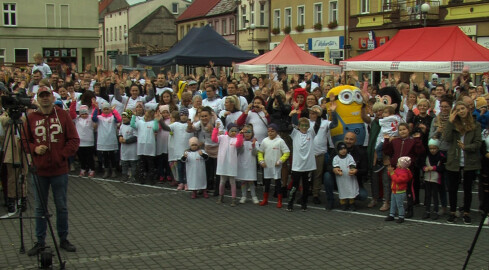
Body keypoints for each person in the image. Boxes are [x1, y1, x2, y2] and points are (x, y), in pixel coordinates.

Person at [23, 86, 79, 256]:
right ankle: (40, 241)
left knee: (61, 206)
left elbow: (74, 140)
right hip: (39, 171)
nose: (45, 99)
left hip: (59, 170)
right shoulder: (31, 118)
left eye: (47, 95)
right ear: (37, 99)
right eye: (42, 96)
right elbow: (24, 141)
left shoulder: (63, 115)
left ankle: (63, 238)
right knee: (40, 208)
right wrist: (34, 148)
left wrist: (61, 155)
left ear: (53, 98)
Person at [443, 101, 481, 224]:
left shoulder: (476, 125)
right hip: (454, 160)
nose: (461, 111)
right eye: (458, 110)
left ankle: (466, 212)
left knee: (467, 189)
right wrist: (449, 121)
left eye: (463, 108)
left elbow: (478, 143)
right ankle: (453, 212)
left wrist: (466, 147)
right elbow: (446, 138)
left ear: (468, 109)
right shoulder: (453, 124)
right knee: (453, 188)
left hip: (469, 160)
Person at [258, 123, 290, 208]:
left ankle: (279, 201)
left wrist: (280, 161)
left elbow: (287, 152)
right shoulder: (265, 141)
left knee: (278, 183)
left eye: (272, 131)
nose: (270, 133)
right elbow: (260, 152)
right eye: (269, 131)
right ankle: (265, 199)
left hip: (276, 166)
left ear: (276, 132)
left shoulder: (280, 141)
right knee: (267, 183)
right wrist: (261, 161)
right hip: (267, 166)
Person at [212, 122, 244, 206]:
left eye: (235, 131)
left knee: (232, 182)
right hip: (222, 163)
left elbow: (239, 144)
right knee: (222, 181)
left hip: (231, 164)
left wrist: (240, 135)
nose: (233, 132)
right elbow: (214, 139)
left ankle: (233, 198)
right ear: (228, 130)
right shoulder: (222, 137)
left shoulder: (236, 139)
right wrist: (216, 129)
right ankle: (221, 196)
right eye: (232, 131)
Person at [69, 101, 95, 178]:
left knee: (90, 157)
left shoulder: (90, 118)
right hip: (80, 142)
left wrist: (94, 106)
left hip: (89, 142)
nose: (84, 115)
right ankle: (83, 169)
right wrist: (73, 103)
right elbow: (72, 113)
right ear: (80, 114)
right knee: (82, 157)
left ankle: (91, 170)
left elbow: (95, 114)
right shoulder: (77, 119)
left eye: (85, 113)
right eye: (82, 114)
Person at [422, 139, 445, 220]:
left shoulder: (441, 156)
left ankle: (436, 211)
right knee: (427, 195)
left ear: (438, 148)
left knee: (435, 195)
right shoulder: (427, 156)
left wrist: (434, 167)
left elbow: (442, 167)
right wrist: (424, 168)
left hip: (436, 178)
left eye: (434, 148)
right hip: (427, 178)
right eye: (431, 149)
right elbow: (422, 164)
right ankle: (427, 211)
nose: (432, 150)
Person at [385, 156, 413, 224]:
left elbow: (397, 180)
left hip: (400, 191)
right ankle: (392, 214)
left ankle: (401, 216)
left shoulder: (404, 173)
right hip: (394, 190)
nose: (397, 164)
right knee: (393, 203)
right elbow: (393, 174)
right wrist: (389, 171)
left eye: (398, 163)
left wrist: (391, 173)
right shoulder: (398, 170)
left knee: (400, 204)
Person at [332, 141, 359, 211]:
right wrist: (338, 171)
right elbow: (336, 166)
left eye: (344, 149)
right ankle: (343, 203)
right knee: (342, 189)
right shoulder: (336, 158)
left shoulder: (349, 157)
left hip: (350, 177)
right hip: (341, 178)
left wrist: (352, 169)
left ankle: (351, 203)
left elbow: (352, 164)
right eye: (341, 149)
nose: (343, 151)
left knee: (351, 189)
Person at [237, 124, 259, 204]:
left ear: (252, 133)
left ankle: (254, 196)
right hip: (242, 164)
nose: (247, 134)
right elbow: (239, 151)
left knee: (251, 181)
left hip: (251, 165)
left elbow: (255, 153)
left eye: (249, 132)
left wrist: (253, 146)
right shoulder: (240, 141)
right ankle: (243, 196)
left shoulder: (255, 141)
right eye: (245, 132)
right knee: (243, 181)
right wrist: (241, 145)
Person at [119, 110, 138, 182]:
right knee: (124, 163)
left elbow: (135, 137)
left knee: (133, 163)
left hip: (132, 149)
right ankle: (124, 175)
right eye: (123, 117)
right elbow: (120, 133)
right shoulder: (122, 125)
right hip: (124, 149)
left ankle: (133, 176)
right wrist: (120, 137)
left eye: (125, 117)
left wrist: (126, 141)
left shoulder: (133, 126)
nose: (123, 118)